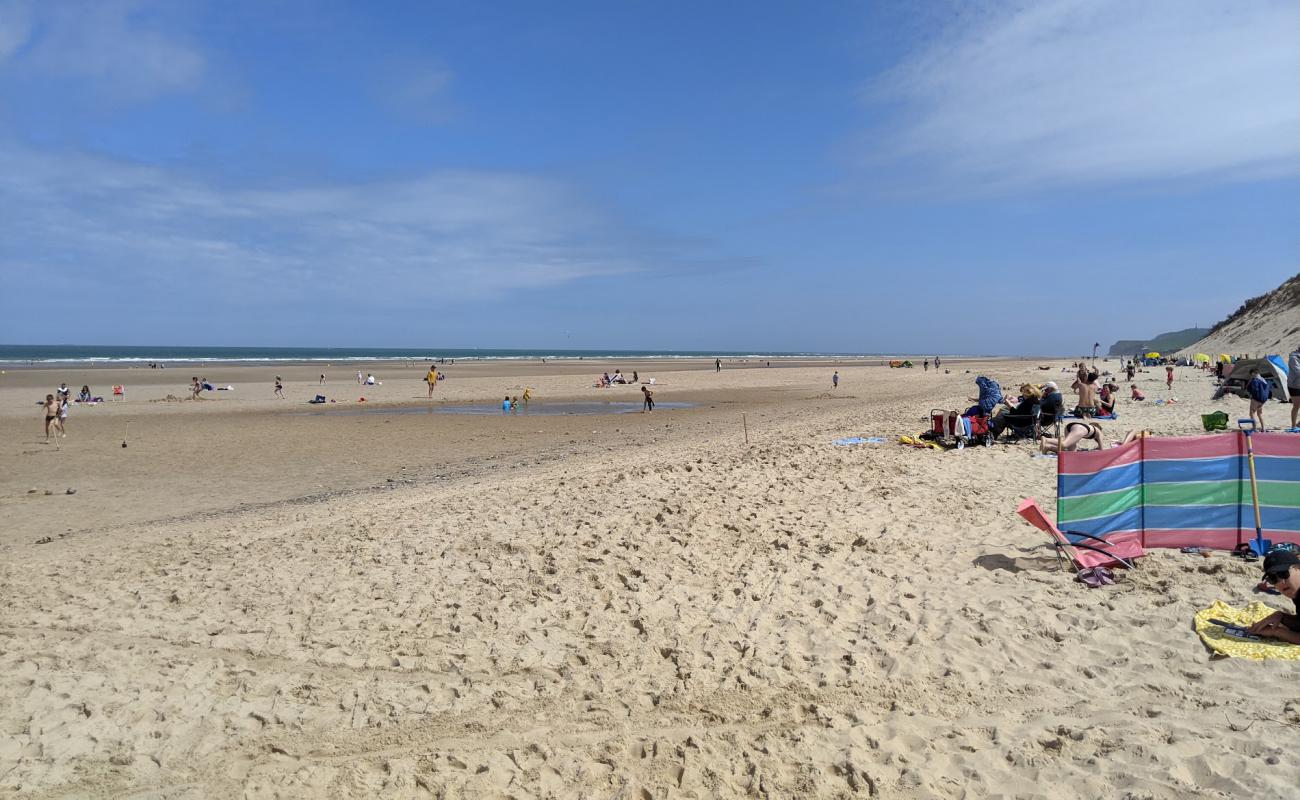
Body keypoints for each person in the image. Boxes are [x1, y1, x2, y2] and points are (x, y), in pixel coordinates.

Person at [1246, 550, 1300, 644]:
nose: (1280, 582)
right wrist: (1280, 616)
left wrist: (1276, 631)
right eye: (1273, 579)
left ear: (1298, 568)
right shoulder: (1296, 592)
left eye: (1283, 574)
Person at [1039, 421, 1104, 453]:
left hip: (1071, 426)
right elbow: (1101, 450)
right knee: (1064, 444)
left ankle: (1048, 447)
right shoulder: (1099, 432)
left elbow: (1076, 439)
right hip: (1079, 428)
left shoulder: (1091, 429)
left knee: (1071, 451)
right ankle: (1047, 440)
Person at [1289, 343, 1300, 429]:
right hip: (1294, 385)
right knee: (1296, 405)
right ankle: (1293, 426)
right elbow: (1298, 371)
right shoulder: (1293, 358)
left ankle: (1299, 424)